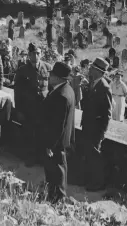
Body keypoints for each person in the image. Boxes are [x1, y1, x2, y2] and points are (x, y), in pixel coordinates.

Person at [14, 42, 52, 167]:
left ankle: (41, 157)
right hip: (28, 109)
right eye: (33, 53)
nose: (36, 56)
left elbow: (51, 89)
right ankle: (30, 157)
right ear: (29, 55)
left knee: (42, 134)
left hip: (43, 108)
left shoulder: (47, 67)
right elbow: (18, 92)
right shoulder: (22, 71)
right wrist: (19, 110)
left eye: (38, 53)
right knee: (29, 134)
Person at [42, 62, 75, 203]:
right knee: (55, 169)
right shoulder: (66, 89)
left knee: (57, 170)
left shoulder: (61, 96)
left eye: (52, 75)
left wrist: (49, 144)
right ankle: (53, 195)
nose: (49, 76)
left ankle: (58, 198)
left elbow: (58, 125)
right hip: (60, 139)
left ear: (58, 77)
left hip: (56, 141)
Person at [81, 57, 112, 191]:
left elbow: (107, 114)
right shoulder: (93, 83)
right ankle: (90, 179)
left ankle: (98, 183)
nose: (90, 69)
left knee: (95, 157)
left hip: (96, 130)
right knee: (88, 154)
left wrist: (101, 133)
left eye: (92, 68)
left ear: (98, 71)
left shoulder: (104, 87)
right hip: (88, 126)